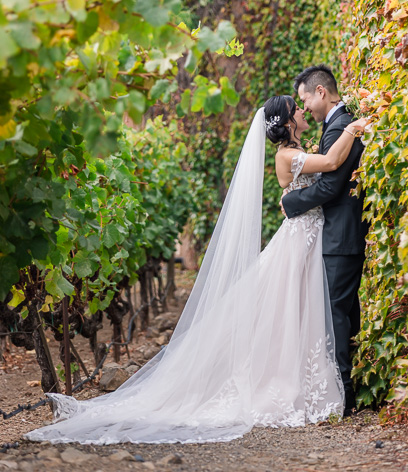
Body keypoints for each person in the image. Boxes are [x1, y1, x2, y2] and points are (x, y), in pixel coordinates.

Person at [26, 98, 366, 446]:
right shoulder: (284, 156)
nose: (303, 112)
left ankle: (305, 381)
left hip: (308, 237)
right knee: (286, 310)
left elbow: (324, 174)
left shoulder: (295, 149)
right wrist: (355, 128)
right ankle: (290, 384)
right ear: (287, 121)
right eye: (297, 108)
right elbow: (330, 163)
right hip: (300, 240)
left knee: (295, 312)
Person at [281, 65, 368, 415]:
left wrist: (291, 201)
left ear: (320, 93)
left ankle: (344, 395)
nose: (305, 110)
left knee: (336, 315)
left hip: (340, 235)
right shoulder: (338, 125)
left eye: (306, 100)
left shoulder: (339, 127)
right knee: (345, 313)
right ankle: (349, 389)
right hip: (337, 235)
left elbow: (332, 185)